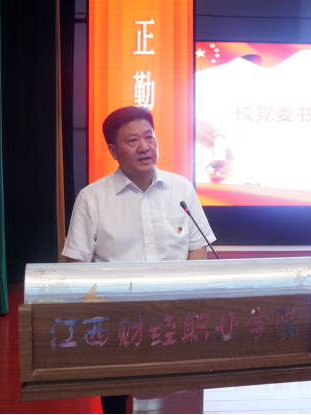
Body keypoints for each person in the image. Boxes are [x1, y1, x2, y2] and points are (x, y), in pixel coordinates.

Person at [62, 105, 216, 414]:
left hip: (176, 314)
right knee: (116, 396)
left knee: (179, 393)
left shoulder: (181, 188)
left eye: (149, 137)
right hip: (117, 320)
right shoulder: (92, 198)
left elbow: (197, 246)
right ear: (113, 150)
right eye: (132, 140)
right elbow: (76, 265)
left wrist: (188, 295)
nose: (144, 147)